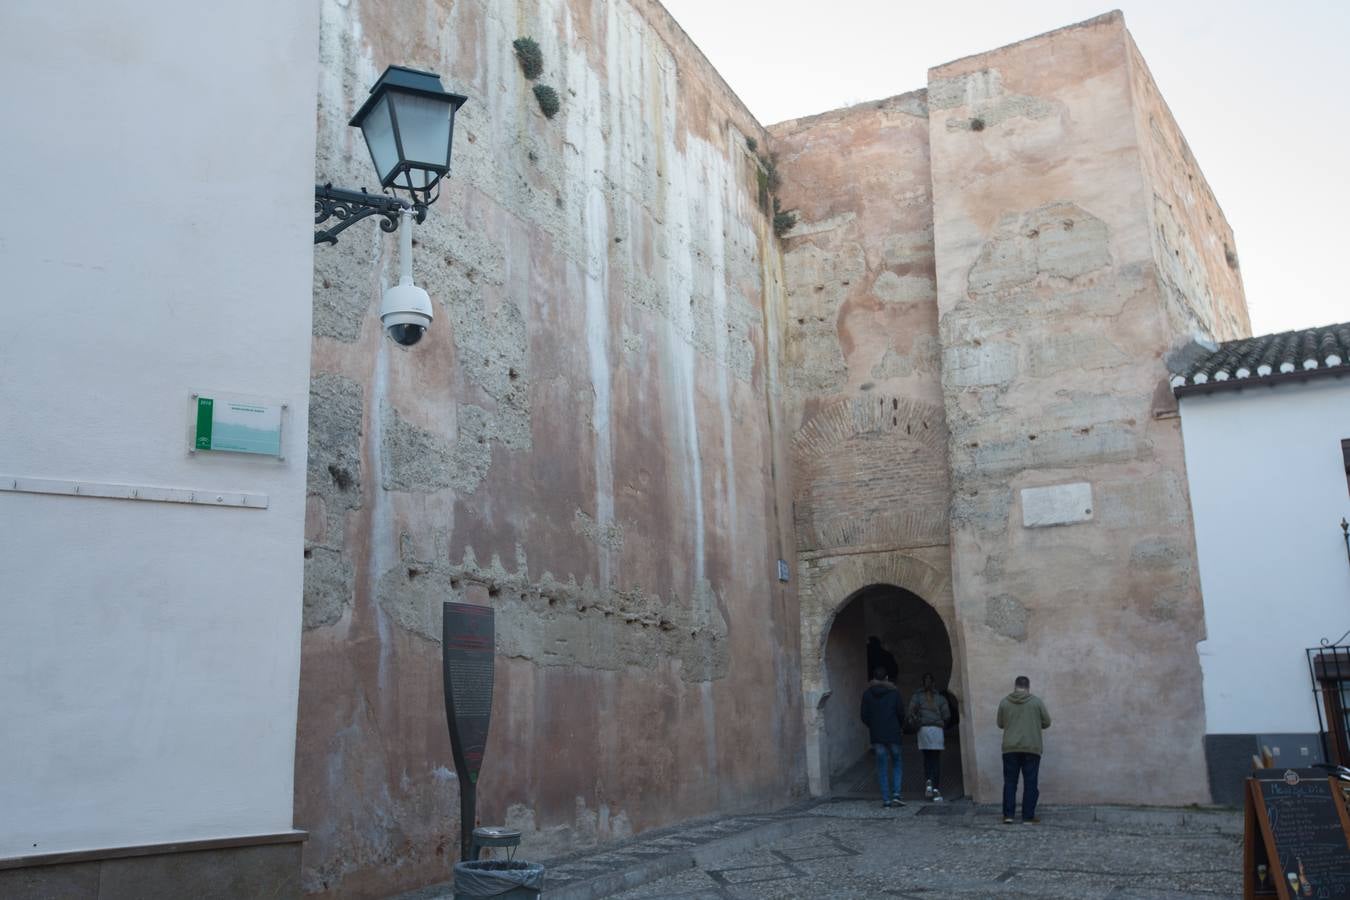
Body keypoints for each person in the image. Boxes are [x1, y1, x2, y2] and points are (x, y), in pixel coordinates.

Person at [997, 675, 1052, 824]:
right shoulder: (1036, 702)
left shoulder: (1004, 702)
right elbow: (1047, 722)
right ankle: (1028, 817)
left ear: (1015, 686)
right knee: (1030, 783)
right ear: (1028, 687)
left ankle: (1008, 816)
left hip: (1010, 748)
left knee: (1010, 783)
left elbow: (1000, 723)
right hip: (1031, 748)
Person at [860, 667, 906, 808]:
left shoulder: (867, 694)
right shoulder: (894, 693)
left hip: (877, 735)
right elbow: (901, 713)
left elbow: (864, 716)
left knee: (881, 767)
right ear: (886, 678)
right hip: (893, 733)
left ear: (873, 678)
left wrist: (874, 726)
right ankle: (896, 795)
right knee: (897, 762)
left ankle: (886, 799)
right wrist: (899, 726)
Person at [907, 673, 951, 802]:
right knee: (936, 760)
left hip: (923, 730)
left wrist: (917, 721)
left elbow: (910, 712)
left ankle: (928, 781)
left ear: (922, 684)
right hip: (937, 730)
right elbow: (947, 715)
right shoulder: (941, 698)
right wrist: (943, 725)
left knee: (927, 758)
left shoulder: (917, 697)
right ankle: (936, 789)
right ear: (934, 684)